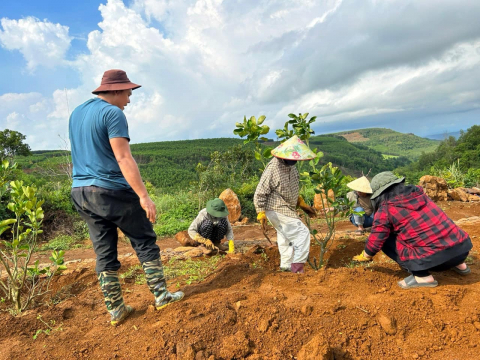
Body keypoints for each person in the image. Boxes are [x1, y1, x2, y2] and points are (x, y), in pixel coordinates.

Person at [69, 69, 184, 326]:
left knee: (104, 253)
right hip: (112, 191)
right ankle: (162, 295)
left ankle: (116, 310)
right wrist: (143, 196)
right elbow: (122, 157)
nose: (129, 100)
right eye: (129, 93)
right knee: (144, 239)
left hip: (81, 192)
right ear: (117, 89)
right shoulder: (113, 113)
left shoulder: (77, 113)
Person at [353, 171, 472, 289]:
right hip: (462, 249)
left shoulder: (385, 209)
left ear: (379, 195)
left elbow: (376, 240)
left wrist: (365, 255)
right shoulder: (420, 194)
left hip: (435, 259)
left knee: (386, 239)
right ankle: (460, 265)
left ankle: (422, 277)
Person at [254, 135, 317, 274]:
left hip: (287, 207)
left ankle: (286, 267)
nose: (294, 160)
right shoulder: (273, 168)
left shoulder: (292, 169)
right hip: (276, 207)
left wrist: (300, 202)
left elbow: (291, 188)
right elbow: (260, 192)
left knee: (286, 237)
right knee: (302, 233)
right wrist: (261, 211)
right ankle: (297, 268)